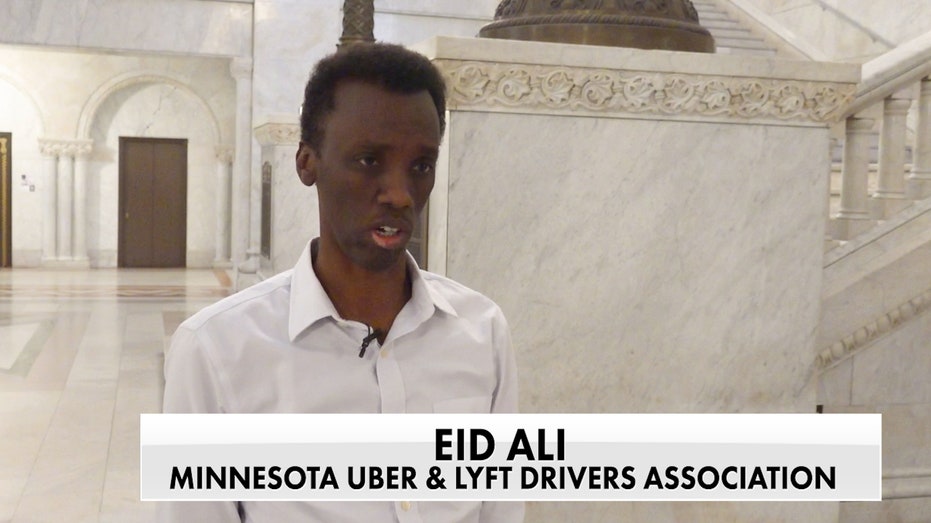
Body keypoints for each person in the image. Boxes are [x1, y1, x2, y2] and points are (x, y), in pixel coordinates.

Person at [159, 43, 523, 522]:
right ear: (307, 163)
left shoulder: (481, 331)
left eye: (421, 166)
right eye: (369, 160)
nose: (399, 194)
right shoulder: (217, 350)